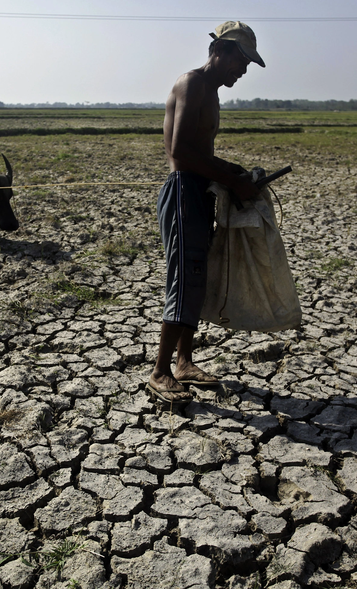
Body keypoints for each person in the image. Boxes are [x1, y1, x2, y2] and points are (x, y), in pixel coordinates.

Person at [149, 21, 265, 403]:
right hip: (183, 193)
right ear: (222, 50)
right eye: (242, 60)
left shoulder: (212, 94)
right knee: (184, 279)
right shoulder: (192, 83)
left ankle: (184, 362)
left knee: (197, 277)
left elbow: (203, 154)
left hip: (200, 192)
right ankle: (160, 371)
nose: (243, 70)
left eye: (248, 63)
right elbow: (180, 152)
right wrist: (231, 182)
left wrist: (233, 172)